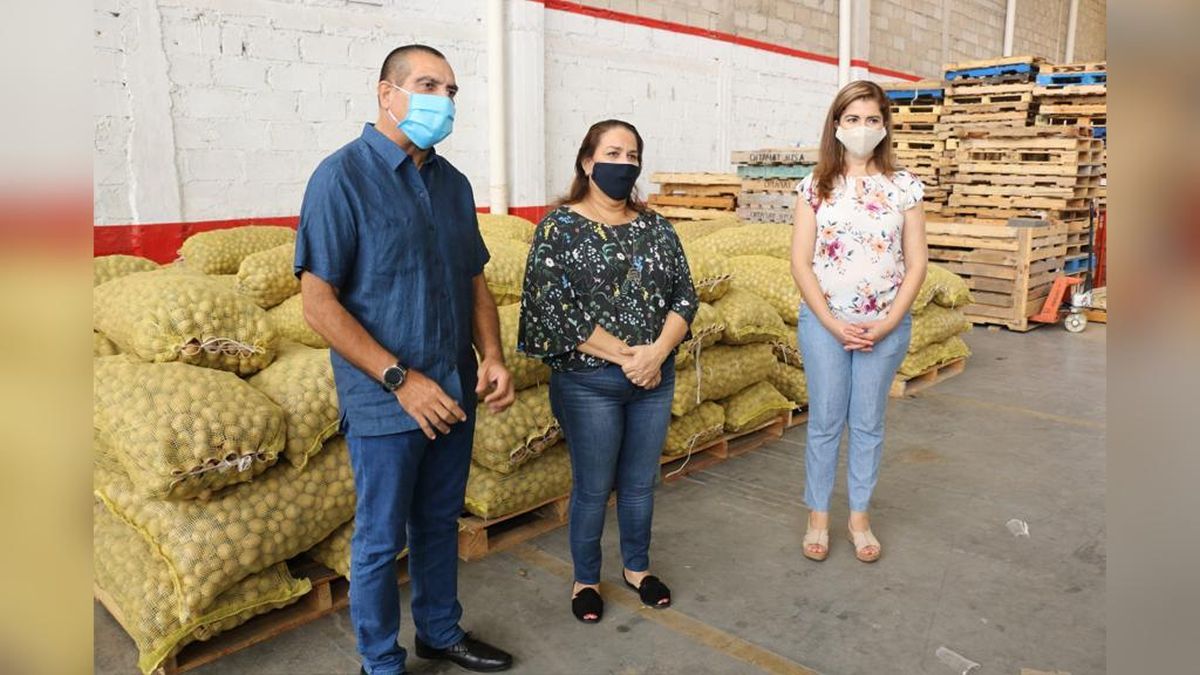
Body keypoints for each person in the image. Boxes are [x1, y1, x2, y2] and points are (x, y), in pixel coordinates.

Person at [295, 44, 516, 675]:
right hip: (386, 398)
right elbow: (318, 303)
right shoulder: (340, 178)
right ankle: (381, 662)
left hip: (451, 388)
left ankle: (439, 633)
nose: (443, 100)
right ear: (386, 93)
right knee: (380, 537)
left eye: (451, 90)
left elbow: (473, 280)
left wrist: (492, 355)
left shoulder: (454, 185)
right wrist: (399, 378)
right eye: (428, 85)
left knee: (440, 521)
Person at [518, 120, 698, 623]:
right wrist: (629, 357)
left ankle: (638, 569)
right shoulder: (558, 228)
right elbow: (551, 309)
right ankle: (586, 579)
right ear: (587, 161)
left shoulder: (656, 227)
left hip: (653, 381)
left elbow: (684, 296)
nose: (623, 163)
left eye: (632, 155)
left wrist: (656, 354)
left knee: (640, 484)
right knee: (594, 487)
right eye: (612, 153)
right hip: (589, 384)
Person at [790, 80, 928, 563]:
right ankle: (818, 516)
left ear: (885, 125)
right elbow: (801, 262)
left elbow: (917, 263)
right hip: (825, 325)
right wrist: (832, 323)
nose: (862, 128)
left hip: (884, 327)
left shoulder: (905, 187)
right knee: (825, 421)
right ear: (836, 125)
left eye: (872, 119)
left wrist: (888, 323)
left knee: (868, 423)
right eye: (852, 119)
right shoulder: (814, 186)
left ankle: (859, 518)